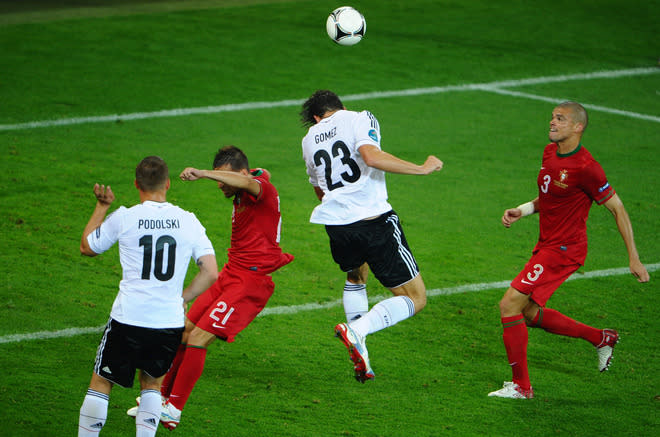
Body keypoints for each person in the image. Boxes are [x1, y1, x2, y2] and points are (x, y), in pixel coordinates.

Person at [489, 101, 650, 399]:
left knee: (509, 304)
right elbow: (549, 197)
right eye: (552, 117)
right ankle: (601, 338)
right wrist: (522, 210)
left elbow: (618, 209)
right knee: (526, 312)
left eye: (560, 119)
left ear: (578, 127)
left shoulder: (587, 168)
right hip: (547, 245)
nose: (552, 122)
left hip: (565, 250)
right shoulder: (550, 153)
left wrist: (634, 258)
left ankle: (522, 387)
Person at [300, 90, 443, 383]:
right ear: (340, 107)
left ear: (316, 117)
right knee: (415, 298)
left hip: (337, 225)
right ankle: (357, 330)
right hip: (373, 221)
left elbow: (319, 187)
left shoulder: (308, 138)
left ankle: (361, 351)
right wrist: (422, 168)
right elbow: (371, 156)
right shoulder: (359, 118)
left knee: (356, 277)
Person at [146, 146, 294, 430]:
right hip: (230, 273)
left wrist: (201, 173)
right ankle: (159, 399)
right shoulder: (249, 182)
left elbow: (252, 180)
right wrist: (233, 175)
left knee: (200, 338)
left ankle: (174, 408)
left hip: (251, 281)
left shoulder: (261, 189)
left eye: (223, 179)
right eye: (217, 179)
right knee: (184, 330)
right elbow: (256, 173)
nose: (220, 185)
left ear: (239, 174)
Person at [77, 156, 218, 437]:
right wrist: (184, 296)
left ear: (136, 184)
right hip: (167, 322)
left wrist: (102, 206)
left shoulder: (125, 217)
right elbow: (211, 272)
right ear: (167, 184)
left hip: (128, 317)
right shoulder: (188, 220)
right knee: (153, 385)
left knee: (102, 381)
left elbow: (88, 247)